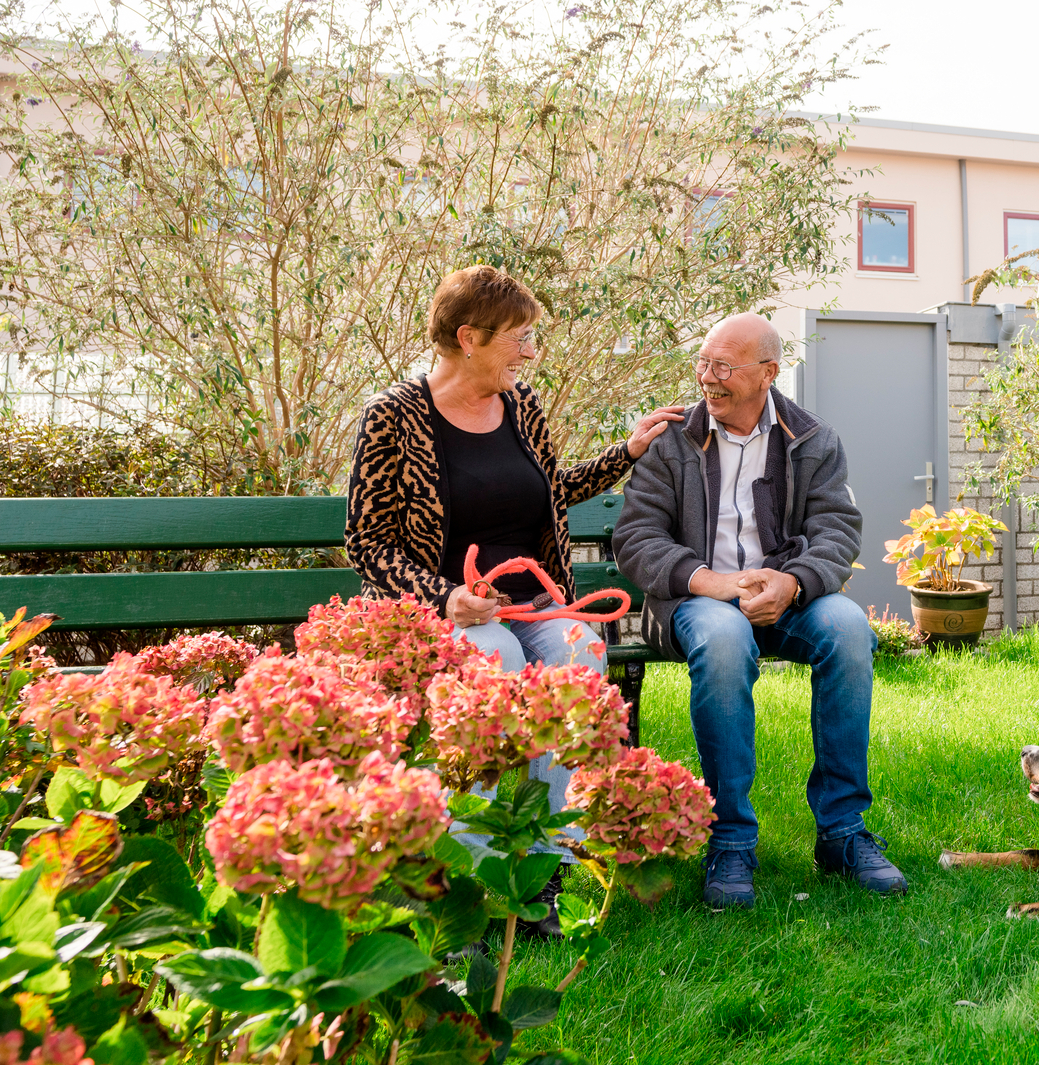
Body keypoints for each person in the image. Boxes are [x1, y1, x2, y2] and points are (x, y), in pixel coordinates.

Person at [345, 265, 675, 925]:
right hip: (447, 611)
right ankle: (476, 881)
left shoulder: (521, 407)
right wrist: (445, 598)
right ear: (469, 337)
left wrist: (626, 452)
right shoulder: (394, 416)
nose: (530, 353)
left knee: (578, 652)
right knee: (493, 666)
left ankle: (541, 873)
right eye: (519, 339)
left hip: (535, 601)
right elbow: (366, 540)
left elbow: (550, 489)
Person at [614, 312, 904, 908]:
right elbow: (637, 537)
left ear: (769, 372)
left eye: (723, 366)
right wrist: (708, 582)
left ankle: (843, 832)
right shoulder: (672, 440)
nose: (707, 378)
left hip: (787, 599)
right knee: (722, 639)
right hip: (698, 602)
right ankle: (730, 838)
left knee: (848, 627)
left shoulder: (813, 439)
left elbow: (837, 531)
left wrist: (794, 583)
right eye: (703, 364)